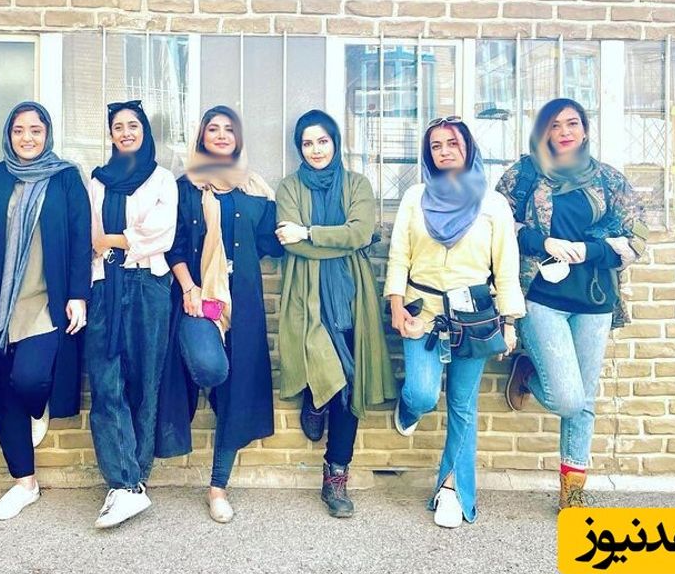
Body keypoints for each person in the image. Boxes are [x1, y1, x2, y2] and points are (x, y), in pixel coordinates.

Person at [497, 98, 647, 510]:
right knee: (567, 398)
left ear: (584, 130)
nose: (564, 132)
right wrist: (542, 241)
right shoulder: (522, 176)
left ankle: (572, 495)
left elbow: (638, 236)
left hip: (594, 301)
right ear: (542, 132)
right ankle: (528, 372)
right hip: (539, 297)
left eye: (572, 123)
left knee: (585, 402)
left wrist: (590, 250)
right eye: (554, 125)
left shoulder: (609, 181)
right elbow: (496, 226)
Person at [0, 102, 91, 521]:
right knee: (5, 389)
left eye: (35, 130)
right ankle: (24, 484)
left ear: (47, 134)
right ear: (8, 134)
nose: (27, 137)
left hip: (47, 300)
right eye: (19, 130)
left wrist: (78, 294)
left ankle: (39, 406)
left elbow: (80, 238)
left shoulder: (66, 178)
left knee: (29, 379)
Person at [385, 117, 524, 528]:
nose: (444, 151)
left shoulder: (493, 204)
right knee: (423, 393)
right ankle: (409, 408)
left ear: (468, 148)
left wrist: (509, 323)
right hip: (422, 311)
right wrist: (395, 304)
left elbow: (506, 268)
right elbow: (399, 254)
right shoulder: (415, 197)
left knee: (463, 406)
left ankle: (452, 490)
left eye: (452, 143)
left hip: (474, 318)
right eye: (436, 145)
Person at [157, 105, 283, 524]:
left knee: (237, 390)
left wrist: (280, 213)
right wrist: (189, 287)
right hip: (196, 300)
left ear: (238, 138)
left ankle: (218, 487)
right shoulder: (185, 187)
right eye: (214, 129)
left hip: (241, 303)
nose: (222, 135)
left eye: (230, 129)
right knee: (211, 368)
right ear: (202, 137)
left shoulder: (253, 188)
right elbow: (173, 245)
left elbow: (269, 244)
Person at [275, 109, 395, 518]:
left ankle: (336, 475)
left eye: (322, 141)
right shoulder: (289, 187)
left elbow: (360, 232)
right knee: (324, 363)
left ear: (335, 143)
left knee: (350, 380)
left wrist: (309, 233)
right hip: (305, 293)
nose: (316, 150)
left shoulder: (357, 184)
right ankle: (315, 398)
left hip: (351, 294)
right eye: (307, 143)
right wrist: (339, 240)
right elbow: (290, 243)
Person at [86, 101, 178, 529]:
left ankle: (135, 478)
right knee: (107, 382)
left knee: (144, 381)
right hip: (105, 284)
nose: (125, 132)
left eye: (133, 125)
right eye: (118, 126)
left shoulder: (162, 179)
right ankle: (124, 483)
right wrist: (113, 241)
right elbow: (91, 237)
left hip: (148, 286)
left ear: (145, 131)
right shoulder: (97, 181)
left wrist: (112, 239)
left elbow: (161, 234)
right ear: (110, 135)